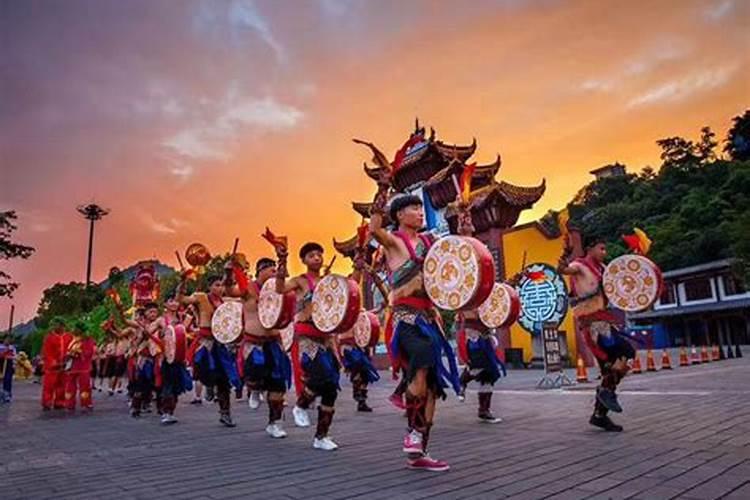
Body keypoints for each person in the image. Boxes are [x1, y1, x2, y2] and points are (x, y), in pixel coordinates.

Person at [370, 184, 460, 472]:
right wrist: (383, 188)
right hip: (406, 318)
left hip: (429, 319)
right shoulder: (394, 241)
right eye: (414, 208)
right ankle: (412, 433)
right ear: (398, 215)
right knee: (420, 359)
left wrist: (464, 224)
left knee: (432, 388)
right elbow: (374, 231)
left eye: (422, 208)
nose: (421, 213)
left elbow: (456, 255)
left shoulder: (429, 241)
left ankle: (420, 449)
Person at [558, 236, 634, 432]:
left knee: (619, 362)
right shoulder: (579, 266)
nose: (604, 252)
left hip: (605, 322)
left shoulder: (604, 269)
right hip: (593, 325)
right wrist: (565, 256)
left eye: (605, 249)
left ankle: (599, 413)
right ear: (590, 248)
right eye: (601, 248)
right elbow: (563, 270)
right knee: (618, 358)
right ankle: (603, 399)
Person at [276, 241, 341, 451]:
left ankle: (321, 437)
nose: (316, 258)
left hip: (326, 338)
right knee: (320, 378)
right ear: (303, 260)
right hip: (306, 337)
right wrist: (282, 260)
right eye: (311, 255)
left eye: (319, 254)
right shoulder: (300, 281)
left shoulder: (328, 282)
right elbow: (279, 288)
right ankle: (301, 405)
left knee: (331, 387)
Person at [227, 257, 291, 438]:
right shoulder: (247, 289)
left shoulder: (278, 290)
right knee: (255, 371)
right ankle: (253, 389)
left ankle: (275, 423)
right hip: (253, 343)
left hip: (274, 342)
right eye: (270, 269)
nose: (273, 272)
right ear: (260, 271)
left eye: (274, 270)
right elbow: (230, 290)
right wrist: (228, 273)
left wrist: (283, 258)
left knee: (277, 386)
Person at [453, 197, 504, 424]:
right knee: (479, 366)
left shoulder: (481, 263)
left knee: (490, 372)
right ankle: (461, 381)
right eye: (466, 225)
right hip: (472, 328)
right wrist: (461, 216)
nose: (471, 227)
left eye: (471, 224)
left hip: (485, 328)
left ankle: (484, 411)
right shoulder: (460, 265)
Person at [177, 274, 241, 427]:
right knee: (204, 371)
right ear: (210, 286)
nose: (220, 288)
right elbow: (181, 299)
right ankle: (209, 386)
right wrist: (183, 281)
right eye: (217, 285)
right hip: (205, 343)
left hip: (220, 344)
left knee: (224, 380)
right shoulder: (201, 298)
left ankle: (225, 413)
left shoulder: (227, 302)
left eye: (222, 285)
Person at [41, 318, 73, 410]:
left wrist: (68, 360)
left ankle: (60, 402)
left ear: (62, 326)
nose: (55, 327)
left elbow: (71, 349)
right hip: (52, 367)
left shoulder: (69, 337)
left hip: (64, 365)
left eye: (57, 325)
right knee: (49, 385)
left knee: (62, 385)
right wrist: (53, 362)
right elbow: (47, 352)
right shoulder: (49, 338)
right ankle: (47, 402)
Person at [63, 321, 96, 411]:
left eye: (76, 328)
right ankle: (69, 404)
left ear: (80, 330)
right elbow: (67, 351)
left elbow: (89, 353)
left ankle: (86, 403)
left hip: (83, 367)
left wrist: (78, 352)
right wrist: (69, 354)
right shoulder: (73, 340)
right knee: (69, 386)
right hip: (72, 366)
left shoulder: (88, 340)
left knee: (84, 386)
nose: (74, 330)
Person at [0, 336, 16, 403]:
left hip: (9, 365)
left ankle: (7, 395)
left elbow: (14, 356)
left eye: (9, 339)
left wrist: (10, 356)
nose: (8, 341)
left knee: (8, 380)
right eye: (7, 339)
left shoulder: (12, 347)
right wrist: (4, 353)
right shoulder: (0, 347)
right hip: (1, 364)